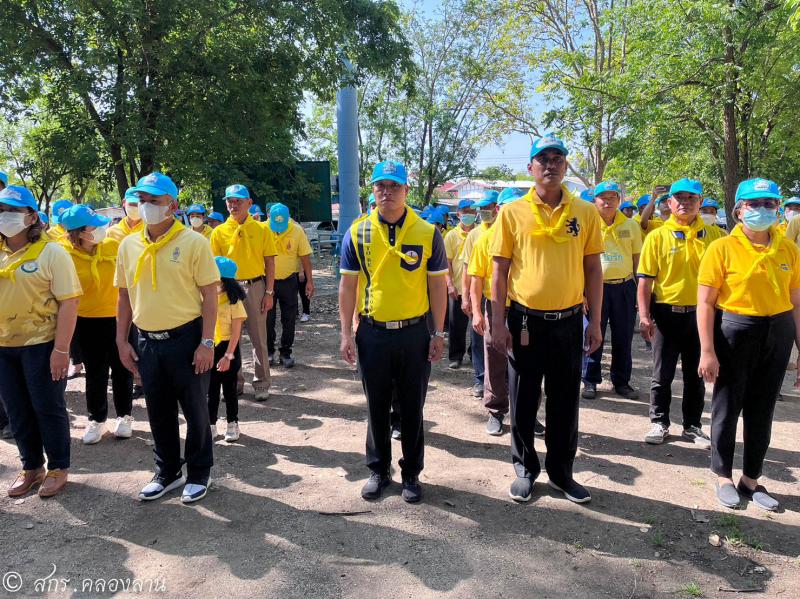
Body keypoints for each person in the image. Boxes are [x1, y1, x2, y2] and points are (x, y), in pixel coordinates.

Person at [490, 134, 603, 505]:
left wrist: (597, 322)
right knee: (523, 399)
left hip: (569, 322)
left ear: (566, 166)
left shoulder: (585, 213)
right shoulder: (511, 213)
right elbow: (499, 271)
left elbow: (593, 270)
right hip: (524, 322)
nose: (550, 165)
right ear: (531, 168)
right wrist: (497, 322)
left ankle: (561, 473)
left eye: (558, 159)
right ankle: (525, 469)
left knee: (565, 401)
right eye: (543, 159)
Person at [339, 160, 447, 504]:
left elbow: (438, 288)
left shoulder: (427, 232)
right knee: (377, 405)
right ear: (373, 190)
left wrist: (439, 332)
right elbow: (347, 285)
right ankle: (379, 469)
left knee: (413, 407)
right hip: (372, 332)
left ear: (406, 191)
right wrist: (345, 333)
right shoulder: (357, 232)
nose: (387, 192)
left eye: (394, 186)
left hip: (414, 333)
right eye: (380, 186)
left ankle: (412, 472)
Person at [115, 172, 219, 504]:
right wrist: (122, 340)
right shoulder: (129, 245)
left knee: (195, 410)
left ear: (172, 205)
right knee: (157, 410)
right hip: (146, 340)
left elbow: (211, 296)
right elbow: (123, 296)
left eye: (154, 201)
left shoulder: (194, 242)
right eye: (142, 200)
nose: (145, 206)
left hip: (187, 339)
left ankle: (200, 472)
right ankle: (168, 471)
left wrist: (207, 342)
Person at [697, 178, 799, 511]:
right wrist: (707, 350)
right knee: (727, 406)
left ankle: (751, 479)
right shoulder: (722, 248)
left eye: (770, 204)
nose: (763, 210)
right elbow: (706, 303)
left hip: (778, 330)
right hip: (736, 331)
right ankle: (724, 476)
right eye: (755, 204)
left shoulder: (788, 248)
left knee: (763, 409)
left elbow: (796, 301)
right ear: (739, 209)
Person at [0, 185, 80, 498]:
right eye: (0, 211)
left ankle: (59, 467)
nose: (4, 217)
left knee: (47, 407)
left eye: (11, 211)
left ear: (31, 216)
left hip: (42, 344)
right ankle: (32, 466)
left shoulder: (52, 252)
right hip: (4, 347)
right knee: (17, 409)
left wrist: (61, 350)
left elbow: (69, 303)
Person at [637, 178, 724, 448]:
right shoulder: (657, 236)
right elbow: (645, 282)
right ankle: (659, 422)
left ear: (700, 202)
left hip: (702, 315)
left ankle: (693, 426)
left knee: (696, 374)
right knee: (662, 374)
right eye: (679, 198)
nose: (685, 203)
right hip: (666, 314)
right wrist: (644, 316)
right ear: (670, 203)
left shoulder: (715, 237)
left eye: (691, 198)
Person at [60, 204, 134, 444]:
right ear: (80, 232)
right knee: (95, 372)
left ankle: (125, 416)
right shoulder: (63, 255)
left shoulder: (114, 246)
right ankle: (96, 420)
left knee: (123, 369)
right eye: (95, 226)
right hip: (86, 322)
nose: (103, 229)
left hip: (118, 318)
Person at [468, 187, 530, 436]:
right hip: (496, 307)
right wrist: (476, 311)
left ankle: (527, 413)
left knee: (527, 361)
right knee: (495, 359)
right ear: (498, 210)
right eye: (508, 206)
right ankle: (496, 411)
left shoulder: (531, 236)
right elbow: (475, 278)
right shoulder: (486, 238)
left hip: (526, 309)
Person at [210, 184, 276, 400]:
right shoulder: (218, 232)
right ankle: (234, 381)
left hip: (255, 286)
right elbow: (213, 265)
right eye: (230, 200)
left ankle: (262, 383)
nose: (234, 204)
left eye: (238, 200)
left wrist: (269, 292)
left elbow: (269, 262)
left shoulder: (262, 229)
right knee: (230, 337)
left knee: (259, 338)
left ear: (249, 203)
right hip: (228, 287)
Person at [582, 181, 642, 400]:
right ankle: (590, 381)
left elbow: (637, 260)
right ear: (595, 200)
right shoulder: (587, 224)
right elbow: (578, 261)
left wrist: (638, 290)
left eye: (612, 197)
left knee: (623, 337)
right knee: (592, 335)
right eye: (602, 197)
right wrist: (582, 293)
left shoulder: (631, 225)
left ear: (619, 199)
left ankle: (621, 381)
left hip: (624, 287)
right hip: (595, 288)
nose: (607, 202)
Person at [108, 187, 146, 399]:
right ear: (123, 203)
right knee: (125, 338)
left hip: (144, 295)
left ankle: (143, 380)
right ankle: (131, 378)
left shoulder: (149, 228)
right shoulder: (112, 233)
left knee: (142, 338)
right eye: (131, 204)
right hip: (121, 294)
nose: (134, 208)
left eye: (137, 204)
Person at [460, 191, 499, 399]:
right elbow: (467, 268)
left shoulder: (509, 230)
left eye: (487, 208)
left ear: (497, 207)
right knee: (478, 338)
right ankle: (480, 378)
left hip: (506, 297)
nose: (483, 212)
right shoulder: (476, 234)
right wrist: (465, 297)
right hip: (481, 294)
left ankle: (503, 383)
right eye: (480, 209)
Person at [264, 202, 313, 368]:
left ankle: (285, 352)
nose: (279, 229)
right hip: (266, 282)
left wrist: (310, 282)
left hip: (288, 281)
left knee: (289, 318)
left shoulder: (297, 231)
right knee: (267, 319)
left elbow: (305, 257)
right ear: (269, 218)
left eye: (282, 225)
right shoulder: (262, 229)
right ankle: (269, 351)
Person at [209, 257, 247, 442]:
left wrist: (227, 356)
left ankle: (233, 423)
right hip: (211, 347)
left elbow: (236, 333)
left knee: (229, 389)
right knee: (211, 389)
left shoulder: (234, 302)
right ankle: (211, 424)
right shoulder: (207, 298)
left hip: (228, 349)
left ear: (224, 280)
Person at [444, 199, 476, 369]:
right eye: (465, 212)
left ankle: (474, 354)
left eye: (471, 211)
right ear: (458, 214)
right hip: (457, 287)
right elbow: (446, 262)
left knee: (477, 324)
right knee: (456, 324)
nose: (469, 214)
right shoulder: (451, 235)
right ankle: (456, 356)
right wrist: (449, 284)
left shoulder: (479, 233)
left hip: (476, 288)